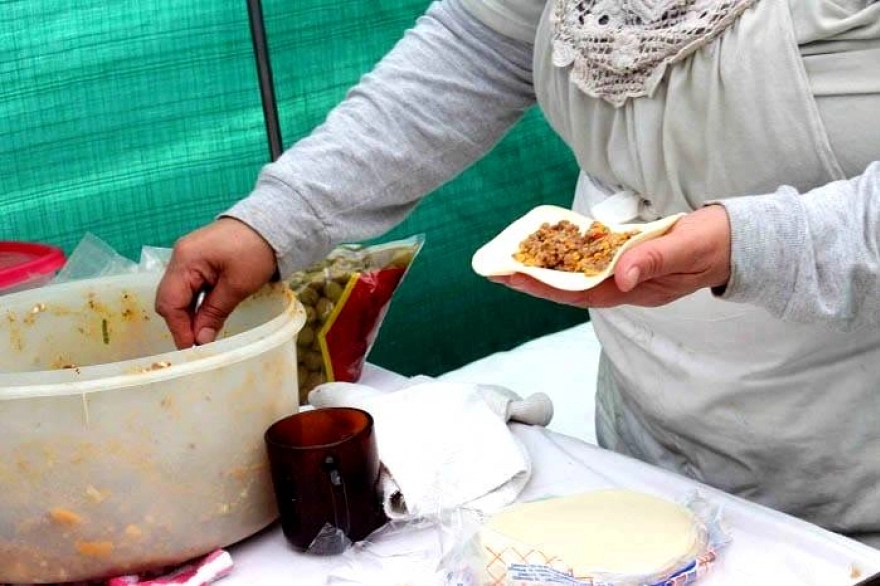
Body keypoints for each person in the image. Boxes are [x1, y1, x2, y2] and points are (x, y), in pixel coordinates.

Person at [156, 0, 880, 545]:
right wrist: (276, 216)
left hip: (855, 468)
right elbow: (479, 46)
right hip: (656, 445)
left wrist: (751, 244)